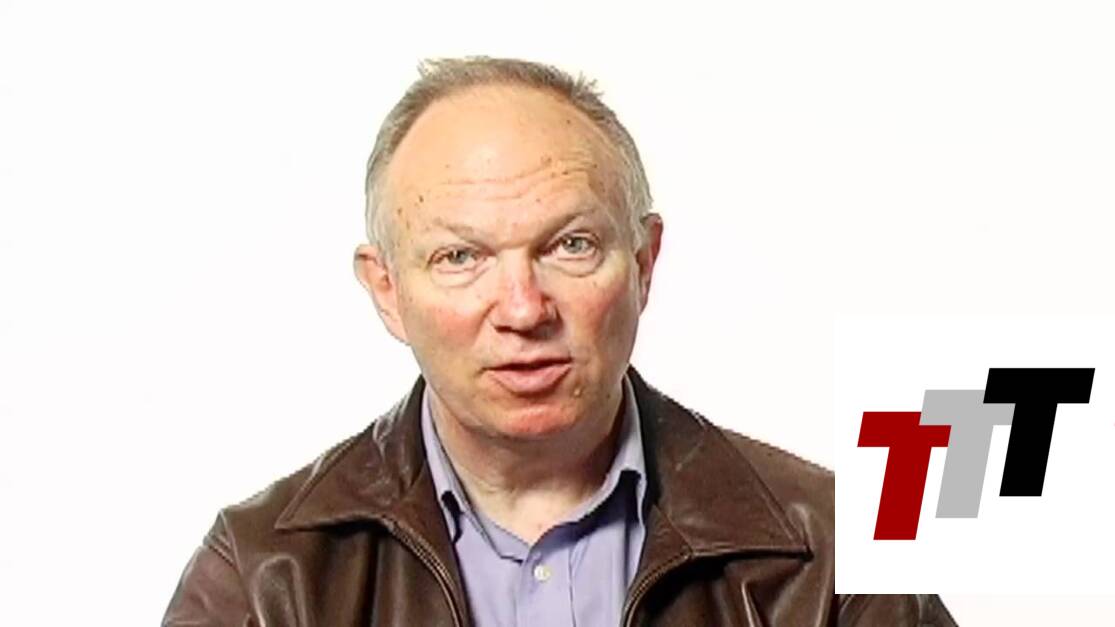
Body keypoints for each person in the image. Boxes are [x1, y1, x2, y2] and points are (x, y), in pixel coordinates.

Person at [162, 56, 956, 626]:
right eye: (460, 257)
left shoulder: (837, 558)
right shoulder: (264, 578)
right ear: (387, 290)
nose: (521, 308)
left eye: (570, 246)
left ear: (642, 263)